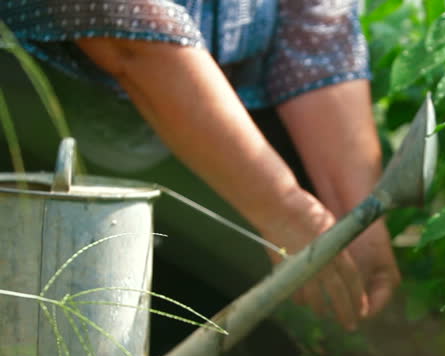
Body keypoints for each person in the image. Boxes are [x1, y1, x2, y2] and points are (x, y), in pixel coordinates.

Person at [0, 0, 401, 330]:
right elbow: (127, 34)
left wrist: (359, 218)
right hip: (36, 117)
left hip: (196, 133)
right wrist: (289, 215)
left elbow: (319, 33)